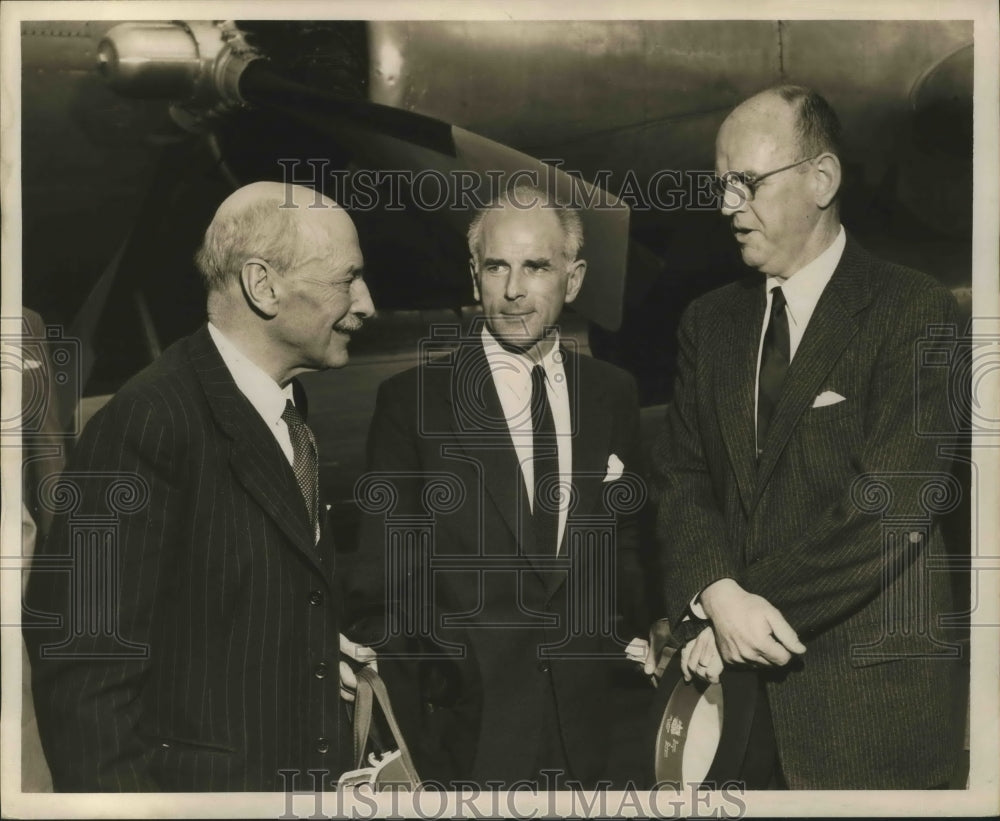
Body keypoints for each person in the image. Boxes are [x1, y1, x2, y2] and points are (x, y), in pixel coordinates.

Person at [647, 86, 963, 789]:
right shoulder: (709, 322)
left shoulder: (914, 309)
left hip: (873, 715)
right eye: (721, 186)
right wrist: (712, 589)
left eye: (747, 184)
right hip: (741, 726)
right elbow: (683, 477)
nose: (728, 206)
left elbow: (893, 506)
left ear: (822, 179)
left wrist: (728, 605)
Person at [24, 181, 377, 791]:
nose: (367, 304)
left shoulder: (287, 408)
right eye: (346, 280)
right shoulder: (148, 423)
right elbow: (85, 679)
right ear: (263, 285)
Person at [345, 186, 648, 789]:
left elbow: (629, 546)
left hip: (600, 739)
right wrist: (414, 741)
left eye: (536, 266)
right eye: (496, 266)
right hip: (467, 742)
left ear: (575, 277)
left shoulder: (613, 394)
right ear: (473, 277)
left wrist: (629, 643)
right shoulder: (413, 403)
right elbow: (385, 586)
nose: (514, 290)